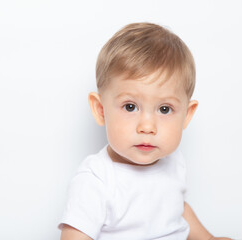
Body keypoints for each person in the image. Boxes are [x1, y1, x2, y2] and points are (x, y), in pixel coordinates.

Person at [59, 22, 231, 240]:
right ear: (100, 110)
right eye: (130, 107)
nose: (148, 127)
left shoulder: (173, 162)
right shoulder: (97, 180)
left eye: (164, 109)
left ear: (186, 115)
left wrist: (207, 238)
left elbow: (177, 210)